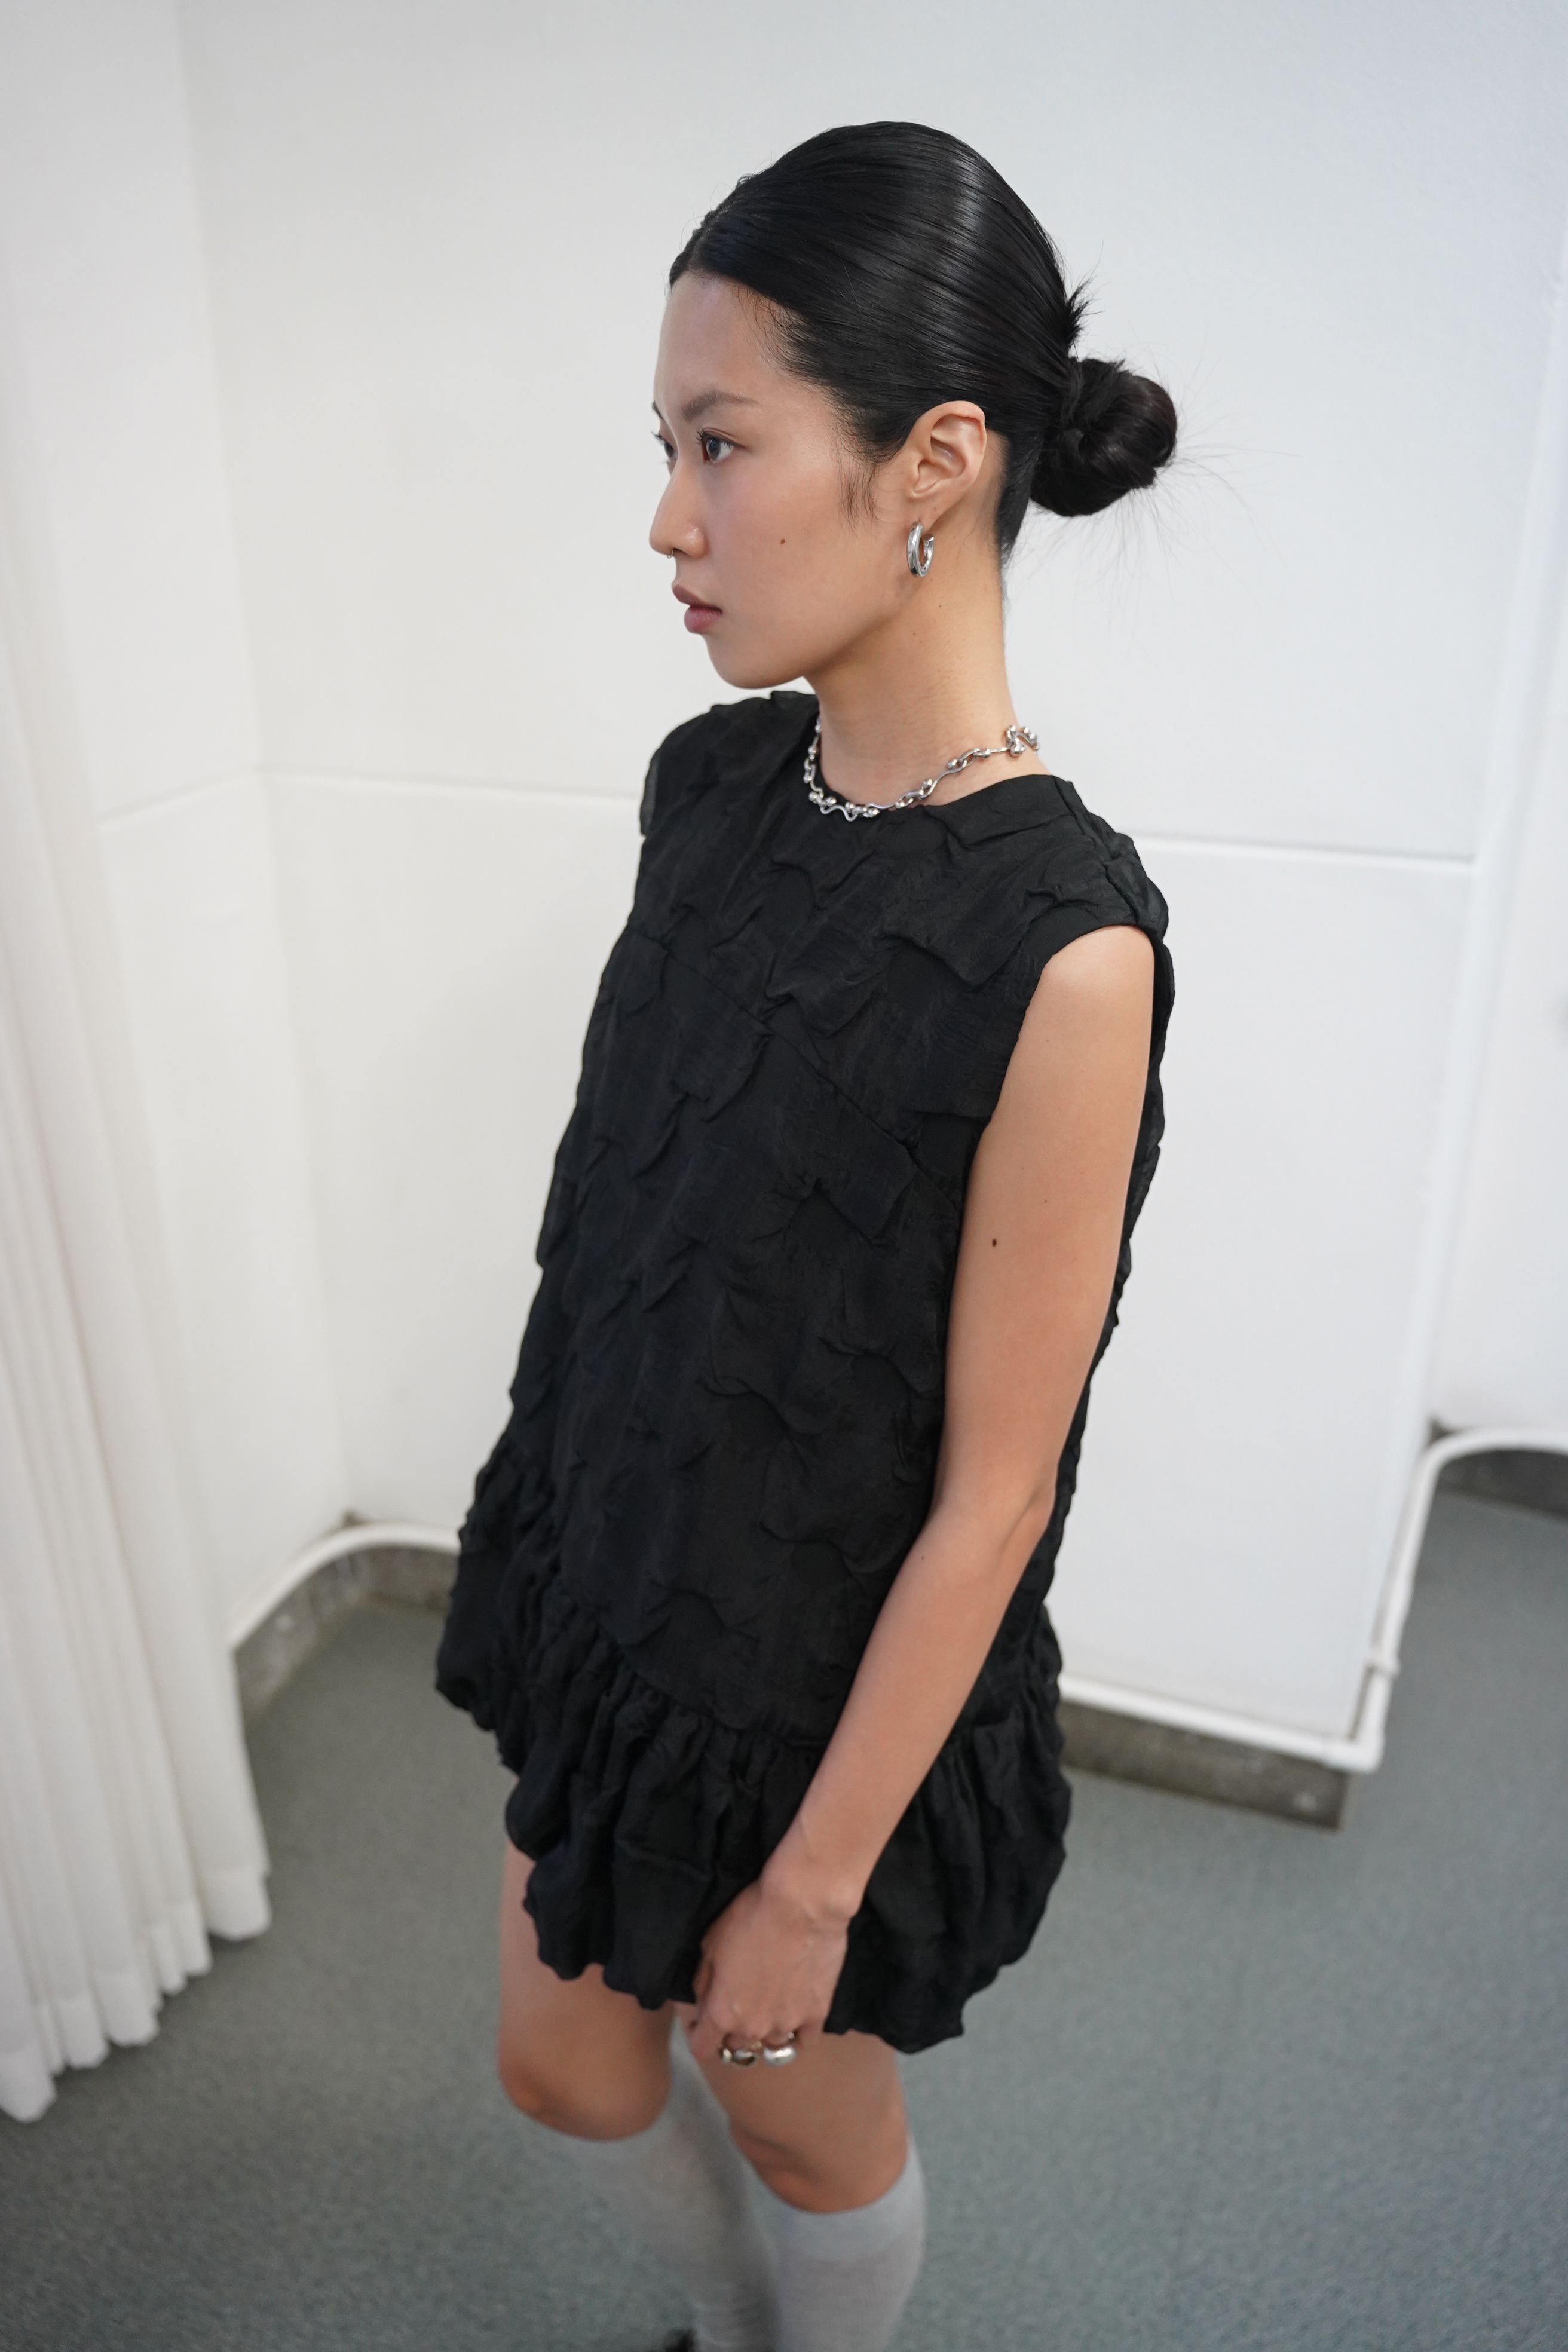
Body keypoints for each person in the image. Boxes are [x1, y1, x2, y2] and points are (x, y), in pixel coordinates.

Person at [436, 120, 1177, 2352]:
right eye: (667, 448)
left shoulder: (1067, 952)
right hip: (625, 1579)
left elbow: (995, 1494)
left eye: (722, 444)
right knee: (564, 2066)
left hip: (817, 1703)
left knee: (802, 2131)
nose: (671, 519)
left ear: (934, 460)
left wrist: (816, 1880)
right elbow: (627, 1232)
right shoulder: (714, 790)